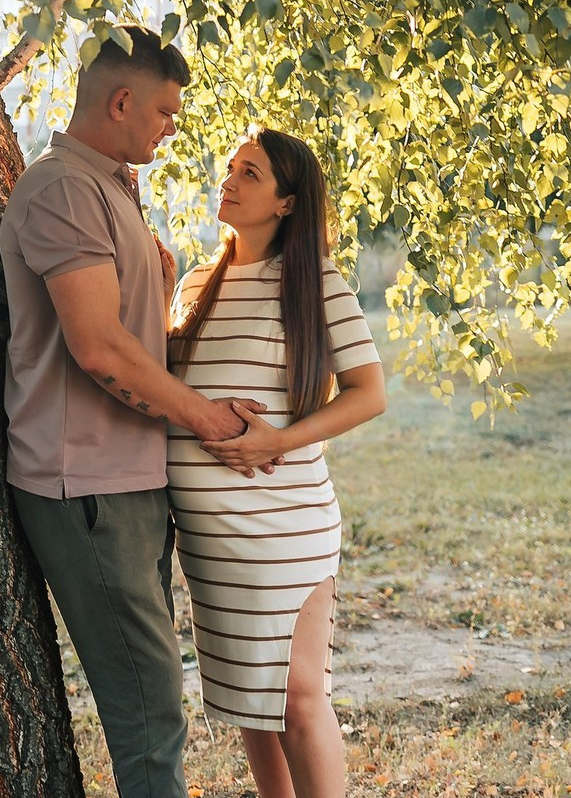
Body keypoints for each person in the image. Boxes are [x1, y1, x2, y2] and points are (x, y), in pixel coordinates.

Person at [0, 26, 264, 798]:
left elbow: (130, 338)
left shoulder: (109, 185)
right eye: (164, 110)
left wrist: (165, 279)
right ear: (120, 102)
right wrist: (208, 420)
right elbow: (100, 351)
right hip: (84, 483)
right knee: (150, 711)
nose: (172, 124)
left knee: (156, 700)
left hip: (130, 477)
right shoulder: (62, 187)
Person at [167, 126, 387, 798]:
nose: (228, 181)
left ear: (287, 203)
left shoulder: (314, 279)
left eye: (251, 174)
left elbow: (369, 395)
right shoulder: (198, 282)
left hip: (284, 525)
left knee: (295, 696)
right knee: (249, 704)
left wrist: (276, 442)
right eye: (230, 167)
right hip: (210, 539)